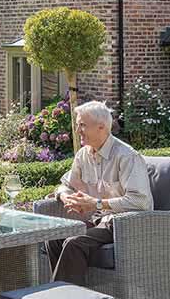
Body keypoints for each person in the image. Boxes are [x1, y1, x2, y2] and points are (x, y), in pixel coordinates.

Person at [48, 101, 153, 286]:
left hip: (125, 223)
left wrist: (96, 203)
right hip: (100, 220)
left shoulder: (126, 156)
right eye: (77, 124)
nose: (78, 130)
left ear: (101, 127)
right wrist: (65, 196)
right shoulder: (83, 155)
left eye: (82, 125)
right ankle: (67, 295)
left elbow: (141, 201)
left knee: (74, 243)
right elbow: (64, 185)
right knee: (55, 238)